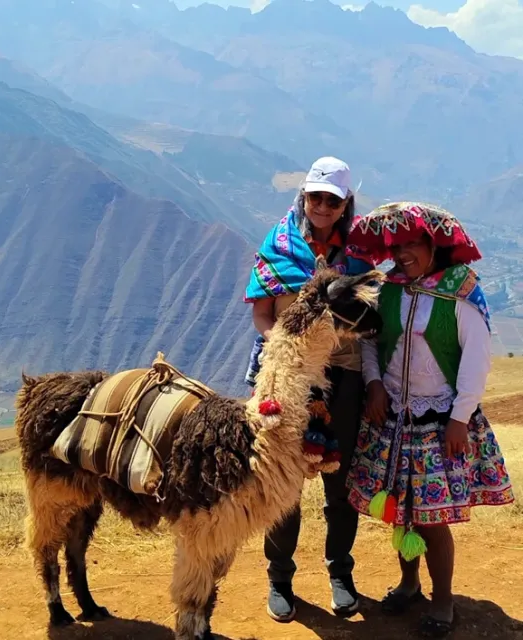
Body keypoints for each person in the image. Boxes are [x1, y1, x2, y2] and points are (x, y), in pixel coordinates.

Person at [346, 202, 514, 637]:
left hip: (438, 419)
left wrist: (460, 417)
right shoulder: (388, 289)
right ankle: (408, 582)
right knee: (401, 510)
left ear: (433, 245)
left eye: (411, 244)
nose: (402, 253)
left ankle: (443, 601)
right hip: (393, 415)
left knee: (432, 518)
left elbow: (476, 359)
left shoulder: (460, 292)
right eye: (396, 245)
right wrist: (374, 384)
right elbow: (369, 340)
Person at [243, 157, 374, 622]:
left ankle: (340, 571)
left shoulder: (358, 255)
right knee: (284, 481)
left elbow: (368, 324)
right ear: (305, 196)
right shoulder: (279, 244)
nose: (322, 206)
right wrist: (282, 344)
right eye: (315, 197)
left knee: (341, 481)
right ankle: (279, 577)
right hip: (290, 376)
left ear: (344, 205)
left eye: (331, 200)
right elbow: (262, 313)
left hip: (344, 374)